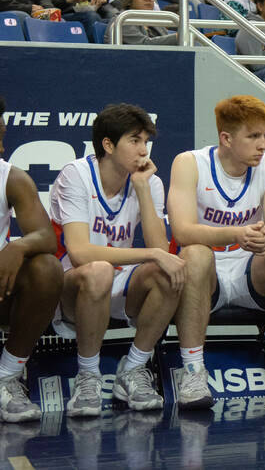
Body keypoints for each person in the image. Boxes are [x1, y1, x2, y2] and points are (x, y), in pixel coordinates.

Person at [167, 95, 265, 410]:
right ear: (226, 138)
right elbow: (182, 232)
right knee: (195, 254)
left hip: (249, 268)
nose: (262, 144)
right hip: (207, 273)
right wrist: (236, 233)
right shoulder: (189, 163)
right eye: (253, 136)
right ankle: (193, 372)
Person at [51, 104, 183, 417]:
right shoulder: (76, 175)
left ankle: (133, 369)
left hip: (119, 280)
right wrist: (151, 254)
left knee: (170, 273)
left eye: (145, 141)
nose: (143, 150)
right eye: (134, 141)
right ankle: (88, 375)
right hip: (72, 284)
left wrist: (142, 188)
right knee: (97, 271)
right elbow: (80, 253)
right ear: (108, 145)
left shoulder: (148, 181)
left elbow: (159, 249)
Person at [0, 97, 63, 422]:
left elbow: (46, 237)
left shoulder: (11, 178)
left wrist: (18, 247)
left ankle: (6, 377)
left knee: (46, 269)